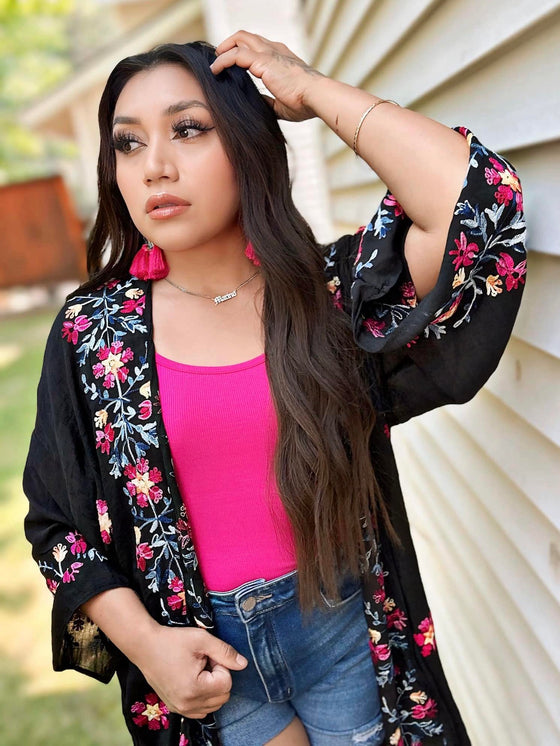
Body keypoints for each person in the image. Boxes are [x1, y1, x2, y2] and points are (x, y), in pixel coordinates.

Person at [22, 30, 526, 746]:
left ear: (246, 144)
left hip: (343, 632)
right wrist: (145, 645)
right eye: (128, 144)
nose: (154, 166)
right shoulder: (94, 334)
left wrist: (312, 88)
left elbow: (481, 203)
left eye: (188, 129)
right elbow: (58, 526)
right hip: (204, 660)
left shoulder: (325, 297)